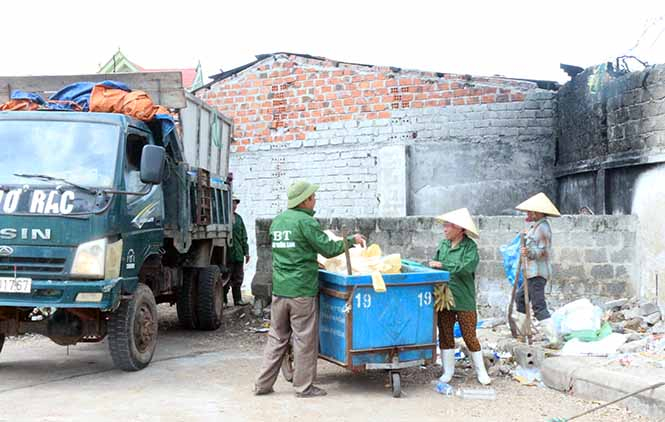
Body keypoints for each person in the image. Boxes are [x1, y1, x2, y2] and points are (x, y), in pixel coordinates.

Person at [254, 180, 365, 398]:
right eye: (313, 197)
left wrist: (308, 259)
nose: (315, 200)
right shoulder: (306, 222)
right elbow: (329, 248)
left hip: (280, 290)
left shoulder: (278, 222)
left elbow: (290, 252)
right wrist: (351, 239)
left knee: (277, 337)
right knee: (304, 339)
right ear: (304, 200)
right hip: (301, 291)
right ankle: (304, 387)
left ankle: (262, 385)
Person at [429, 208, 491, 386]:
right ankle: (448, 371)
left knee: (469, 334)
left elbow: (466, 268)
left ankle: (481, 372)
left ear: (459, 229)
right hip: (444, 296)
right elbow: (434, 265)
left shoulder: (470, 247)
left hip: (464, 297)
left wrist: (443, 264)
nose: (445, 229)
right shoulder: (443, 245)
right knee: (446, 334)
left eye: (448, 226)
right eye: (445, 226)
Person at [514, 192, 560, 345]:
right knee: (520, 299)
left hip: (537, 274)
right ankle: (523, 333)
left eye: (529, 211)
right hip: (530, 273)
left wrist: (529, 252)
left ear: (536, 212)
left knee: (539, 306)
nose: (527, 214)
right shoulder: (537, 227)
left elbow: (543, 252)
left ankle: (554, 339)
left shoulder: (543, 228)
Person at [224, 195, 249, 306]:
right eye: (232, 203)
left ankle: (237, 299)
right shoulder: (223, 218)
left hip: (238, 254)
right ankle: (223, 300)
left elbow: (244, 236)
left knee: (238, 277)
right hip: (226, 254)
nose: (234, 205)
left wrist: (246, 252)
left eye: (235, 203)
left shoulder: (239, 219)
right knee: (225, 277)